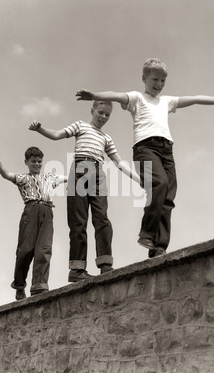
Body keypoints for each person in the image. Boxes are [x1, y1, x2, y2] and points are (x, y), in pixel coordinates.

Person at [75, 57, 214, 258]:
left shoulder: (166, 101)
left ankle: (158, 247)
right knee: (160, 184)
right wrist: (94, 94)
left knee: (169, 196)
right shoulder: (137, 98)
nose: (159, 85)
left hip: (167, 150)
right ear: (144, 78)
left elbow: (195, 98)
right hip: (145, 149)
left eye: (162, 81)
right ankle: (146, 232)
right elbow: (116, 95)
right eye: (155, 80)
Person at [29, 101, 140, 282]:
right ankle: (77, 270)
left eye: (107, 115)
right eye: (100, 112)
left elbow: (119, 163)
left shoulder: (106, 138)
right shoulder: (80, 126)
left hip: (98, 173)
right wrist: (40, 129)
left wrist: (139, 180)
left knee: (102, 218)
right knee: (78, 220)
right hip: (80, 168)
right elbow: (57, 135)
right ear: (92, 110)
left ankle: (105, 264)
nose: (103, 117)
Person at [0, 147, 67, 300]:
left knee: (44, 249)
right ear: (26, 162)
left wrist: (83, 171)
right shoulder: (23, 178)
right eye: (33, 161)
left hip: (47, 211)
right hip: (30, 211)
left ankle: (39, 285)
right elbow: (6, 175)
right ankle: (19, 285)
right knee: (25, 250)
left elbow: (68, 177)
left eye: (39, 161)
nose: (37, 164)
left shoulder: (50, 177)